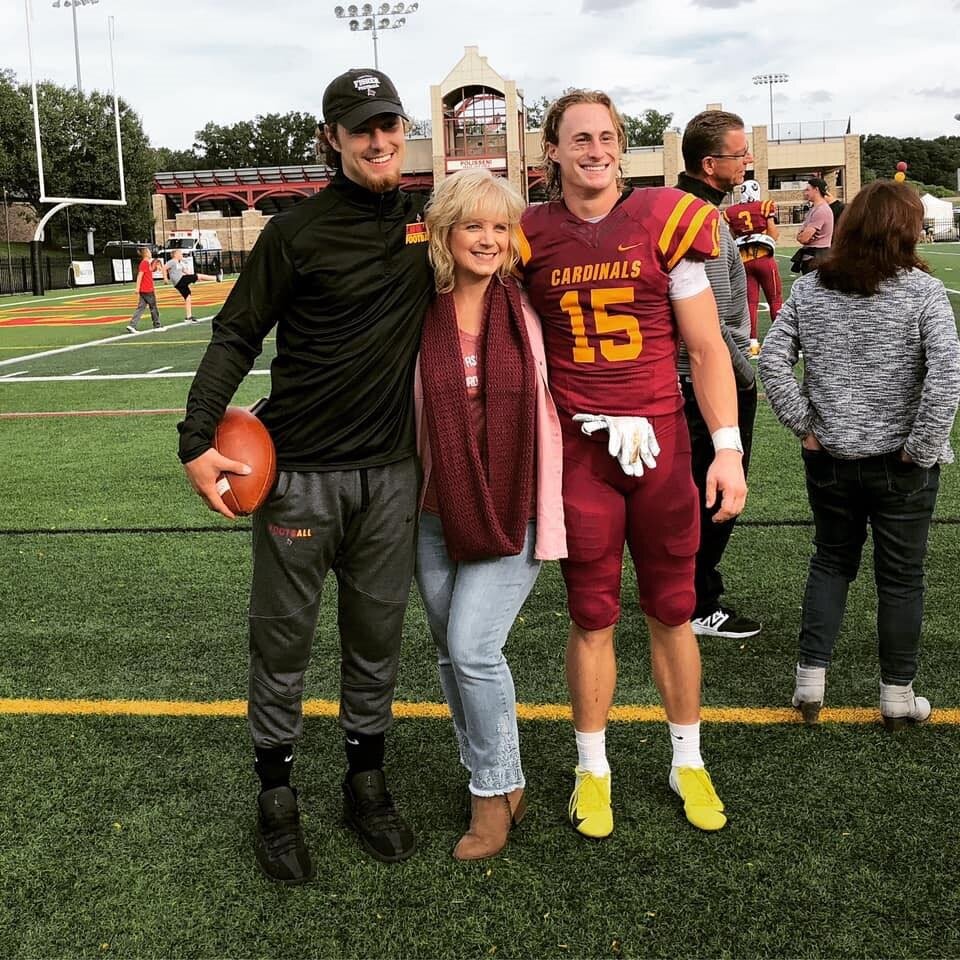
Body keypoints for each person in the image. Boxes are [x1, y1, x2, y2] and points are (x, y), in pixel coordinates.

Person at [177, 67, 433, 883]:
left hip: (392, 476)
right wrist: (194, 439)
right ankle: (276, 799)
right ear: (331, 138)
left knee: (376, 641)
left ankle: (367, 783)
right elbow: (235, 335)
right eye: (361, 128)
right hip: (298, 481)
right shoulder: (294, 235)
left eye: (389, 123)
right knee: (282, 644)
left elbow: (508, 234)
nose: (380, 139)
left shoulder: (428, 221)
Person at [518, 90, 748, 839]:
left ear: (622, 146)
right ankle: (593, 769)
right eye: (579, 137)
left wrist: (728, 449)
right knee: (590, 614)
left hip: (660, 444)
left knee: (673, 609)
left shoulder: (664, 219)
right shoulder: (528, 236)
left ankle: (688, 758)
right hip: (580, 451)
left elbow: (708, 348)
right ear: (551, 149)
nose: (595, 148)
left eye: (607, 136)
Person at [759, 180, 960, 729]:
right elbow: (946, 377)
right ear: (906, 229)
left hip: (831, 459)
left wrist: (806, 425)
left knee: (831, 561)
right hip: (902, 465)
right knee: (901, 578)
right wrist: (921, 447)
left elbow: (771, 361)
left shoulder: (812, 289)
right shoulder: (921, 292)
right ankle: (897, 697)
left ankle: (809, 684)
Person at [413, 169, 566, 860]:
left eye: (500, 227)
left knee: (474, 649)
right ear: (446, 233)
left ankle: (493, 794)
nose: (487, 239)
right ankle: (499, 775)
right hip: (432, 510)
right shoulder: (416, 308)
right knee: (451, 654)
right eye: (473, 224)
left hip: (514, 505)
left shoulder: (529, 310)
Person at [676, 111, 762, 642]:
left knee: (700, 496)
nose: (747, 160)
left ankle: (692, 594)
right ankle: (697, 602)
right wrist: (743, 372)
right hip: (703, 381)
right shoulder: (696, 218)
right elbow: (708, 322)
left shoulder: (699, 211)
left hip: (697, 377)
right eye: (739, 153)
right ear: (710, 165)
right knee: (716, 496)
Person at [723, 179, 782, 355]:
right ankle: (779, 340)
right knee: (775, 299)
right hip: (764, 258)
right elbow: (774, 232)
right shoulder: (764, 206)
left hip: (745, 261)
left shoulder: (731, 211)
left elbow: (732, 237)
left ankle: (753, 342)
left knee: (751, 302)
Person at [164, 247, 221, 323]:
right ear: (175, 255)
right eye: (180, 253)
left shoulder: (180, 263)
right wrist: (165, 278)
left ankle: (188, 317)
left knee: (188, 297)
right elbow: (164, 268)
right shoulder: (172, 261)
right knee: (198, 275)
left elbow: (185, 271)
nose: (181, 255)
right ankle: (216, 278)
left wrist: (193, 277)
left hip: (180, 283)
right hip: (180, 280)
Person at [792, 177, 834, 275]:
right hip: (812, 256)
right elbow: (801, 236)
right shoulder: (814, 209)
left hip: (817, 258)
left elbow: (803, 238)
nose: (805, 193)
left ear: (816, 190)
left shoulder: (821, 210)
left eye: (808, 190)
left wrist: (802, 235)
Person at [126, 246, 162, 333]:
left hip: (145, 289)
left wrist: (156, 266)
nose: (150, 253)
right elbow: (140, 276)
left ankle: (132, 325)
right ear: (146, 253)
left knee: (141, 308)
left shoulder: (146, 263)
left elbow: (150, 270)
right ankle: (157, 325)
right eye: (149, 251)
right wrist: (137, 288)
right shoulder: (144, 263)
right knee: (153, 307)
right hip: (147, 289)